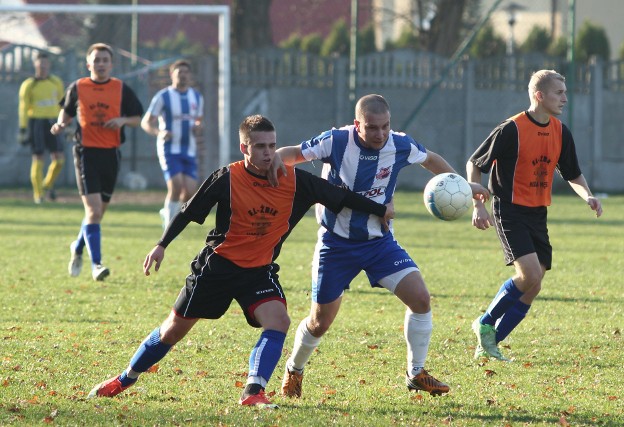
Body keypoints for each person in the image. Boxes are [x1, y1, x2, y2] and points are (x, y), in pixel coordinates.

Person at [87, 114, 393, 408]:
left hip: (258, 271)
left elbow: (340, 197)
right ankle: (126, 377)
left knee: (279, 321)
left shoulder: (295, 181)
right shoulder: (227, 178)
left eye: (272, 146)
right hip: (217, 268)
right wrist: (161, 245)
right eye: (260, 146)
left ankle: (253, 391)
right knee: (171, 331)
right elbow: (187, 212)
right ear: (244, 148)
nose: (268, 152)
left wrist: (379, 209)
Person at [269, 94, 489, 398]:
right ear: (357, 123)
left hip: (378, 242)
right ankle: (294, 369)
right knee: (319, 323)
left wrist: (462, 185)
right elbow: (293, 153)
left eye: (385, 126)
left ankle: (416, 373)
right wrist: (271, 162)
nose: (380, 134)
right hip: (336, 245)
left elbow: (431, 159)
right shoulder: (336, 141)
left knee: (421, 299)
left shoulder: (399, 144)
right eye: (372, 128)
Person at [466, 70, 603, 361]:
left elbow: (572, 172)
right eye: (559, 93)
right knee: (528, 274)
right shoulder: (511, 129)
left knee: (535, 283)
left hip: (538, 213)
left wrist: (587, 195)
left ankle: (490, 345)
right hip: (509, 209)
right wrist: (477, 204)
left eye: (565, 92)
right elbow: (475, 163)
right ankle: (485, 322)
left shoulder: (560, 131)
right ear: (540, 96)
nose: (565, 98)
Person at [51, 43, 143, 281]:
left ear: (111, 64)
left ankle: (78, 247)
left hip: (111, 154)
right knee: (92, 211)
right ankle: (97, 265)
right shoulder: (79, 87)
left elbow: (136, 117)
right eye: (97, 60)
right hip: (86, 153)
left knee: (98, 214)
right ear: (88, 64)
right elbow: (67, 111)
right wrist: (61, 123)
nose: (101, 64)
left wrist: (122, 121)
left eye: (105, 60)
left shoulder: (121, 88)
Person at [141, 59, 204, 229]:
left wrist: (198, 127)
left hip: (189, 149)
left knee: (190, 192)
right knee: (176, 186)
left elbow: (199, 121)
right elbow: (146, 122)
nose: (183, 76)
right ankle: (169, 226)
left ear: (189, 76)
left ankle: (169, 213)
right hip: (169, 148)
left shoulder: (196, 97)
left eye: (186, 73)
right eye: (179, 72)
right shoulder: (163, 96)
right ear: (172, 75)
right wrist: (159, 132)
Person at [18, 52, 65, 204]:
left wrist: (65, 123)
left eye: (45, 63)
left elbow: (63, 104)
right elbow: (24, 107)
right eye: (40, 63)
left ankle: (47, 184)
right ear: (35, 64)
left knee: (59, 159)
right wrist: (23, 128)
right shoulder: (29, 84)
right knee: (38, 157)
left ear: (49, 64)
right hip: (36, 122)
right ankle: (38, 195)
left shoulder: (56, 82)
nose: (43, 66)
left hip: (53, 122)